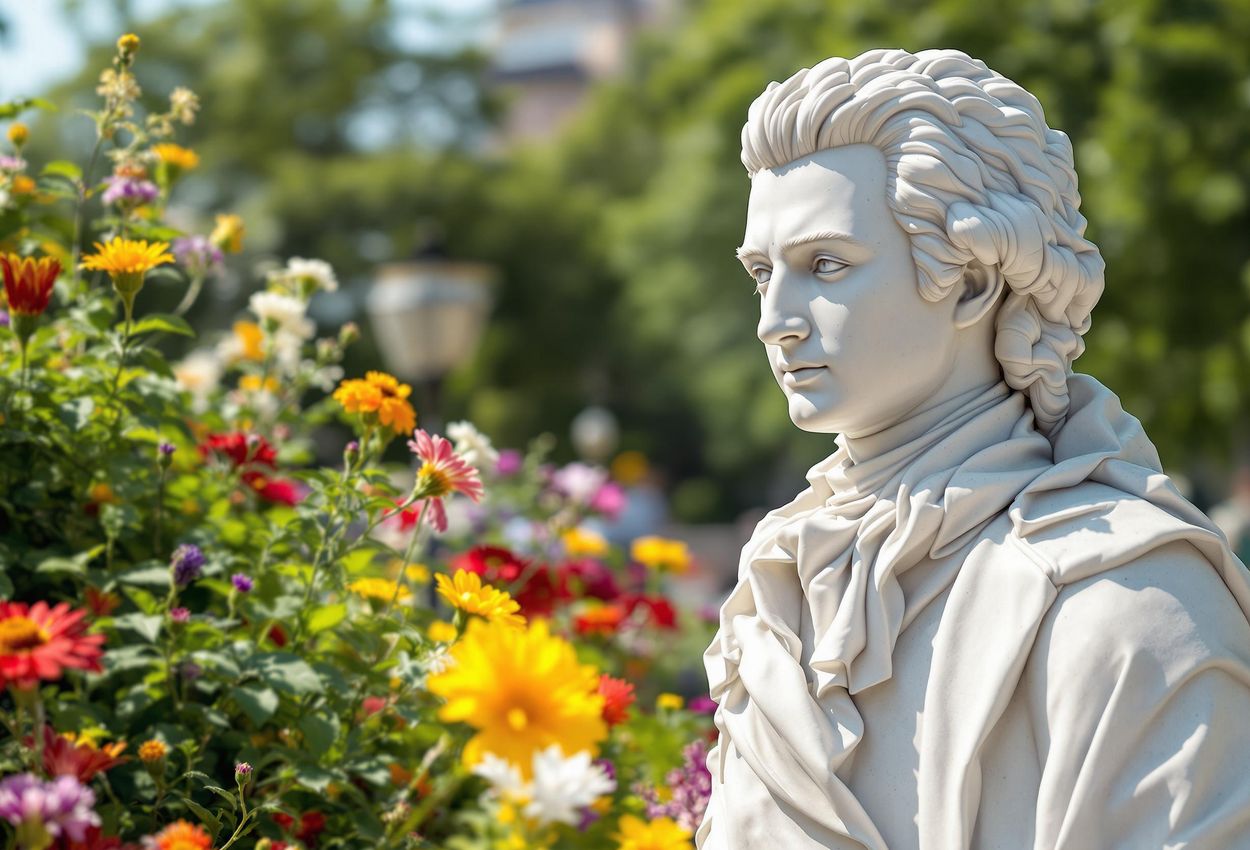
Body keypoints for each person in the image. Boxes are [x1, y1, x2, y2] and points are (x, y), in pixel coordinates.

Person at [699, 48, 1250, 850]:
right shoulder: (782, 577)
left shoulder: (1128, 605)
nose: (773, 320)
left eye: (825, 264)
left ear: (971, 282)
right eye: (760, 274)